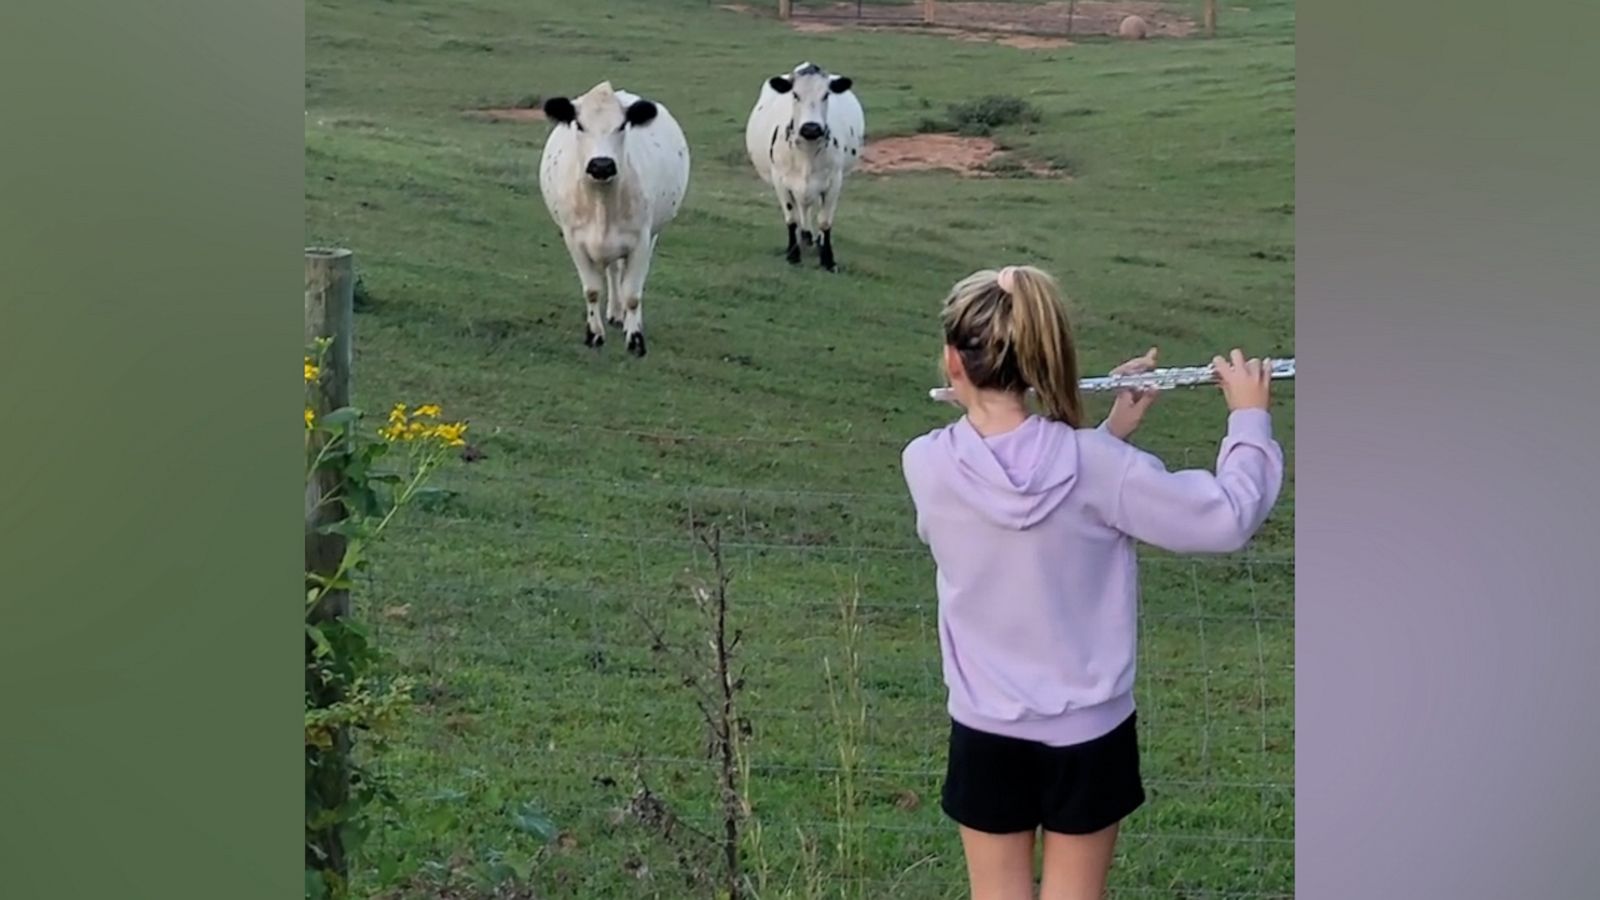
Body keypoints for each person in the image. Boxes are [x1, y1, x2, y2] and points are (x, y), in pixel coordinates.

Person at [900, 265, 1284, 900]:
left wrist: (1110, 434)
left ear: (952, 363)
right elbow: (1224, 518)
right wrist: (1247, 419)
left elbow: (1030, 505)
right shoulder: (1099, 469)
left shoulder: (926, 464)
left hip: (985, 730)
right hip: (1090, 735)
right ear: (1050, 360)